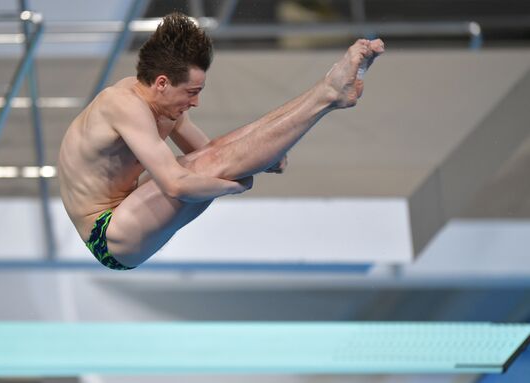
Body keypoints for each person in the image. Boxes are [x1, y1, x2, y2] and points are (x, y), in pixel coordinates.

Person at [58, 12, 385, 270]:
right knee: (209, 168)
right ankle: (328, 95)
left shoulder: (157, 101)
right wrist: (234, 186)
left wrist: (266, 156)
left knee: (213, 157)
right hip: (108, 235)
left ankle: (329, 91)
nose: (195, 103)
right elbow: (176, 186)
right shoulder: (124, 105)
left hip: (127, 208)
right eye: (192, 93)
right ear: (162, 83)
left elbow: (211, 150)